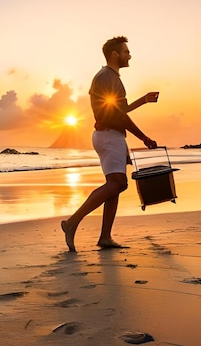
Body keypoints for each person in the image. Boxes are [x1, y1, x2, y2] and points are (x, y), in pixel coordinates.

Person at [61, 36, 158, 252]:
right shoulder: (108, 77)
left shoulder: (108, 77)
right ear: (115, 54)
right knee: (117, 183)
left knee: (116, 185)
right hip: (109, 135)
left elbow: (118, 111)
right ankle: (72, 223)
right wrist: (143, 137)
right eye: (126, 52)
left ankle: (105, 236)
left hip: (110, 135)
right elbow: (118, 115)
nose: (129, 55)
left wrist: (142, 101)